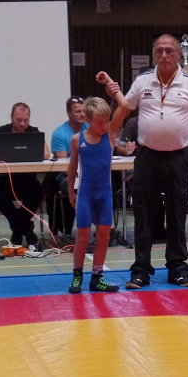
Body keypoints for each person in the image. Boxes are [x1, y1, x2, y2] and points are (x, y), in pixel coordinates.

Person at [105, 34, 188, 290]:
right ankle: (141, 270)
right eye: (160, 51)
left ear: (178, 55)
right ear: (155, 54)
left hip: (178, 157)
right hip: (147, 157)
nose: (164, 55)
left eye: (169, 51)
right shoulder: (142, 81)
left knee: (177, 212)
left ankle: (178, 268)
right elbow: (124, 108)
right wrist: (108, 137)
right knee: (143, 213)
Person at [66, 91, 124, 294]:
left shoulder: (110, 134)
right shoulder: (77, 139)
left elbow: (124, 107)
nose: (104, 126)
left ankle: (97, 277)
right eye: (100, 122)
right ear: (88, 120)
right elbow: (72, 167)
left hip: (105, 195)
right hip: (85, 195)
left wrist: (111, 87)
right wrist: (71, 191)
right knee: (82, 237)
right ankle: (77, 275)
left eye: (107, 121)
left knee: (104, 237)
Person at [0, 102, 50, 246]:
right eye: (19, 120)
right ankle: (26, 228)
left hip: (27, 179)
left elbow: (46, 154)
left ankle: (18, 229)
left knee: (38, 192)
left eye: (26, 120)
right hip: (4, 179)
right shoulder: (0, 132)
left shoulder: (34, 132)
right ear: (11, 117)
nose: (22, 124)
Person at [45, 96, 87, 240]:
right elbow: (64, 165)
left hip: (89, 172)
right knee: (77, 186)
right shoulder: (60, 133)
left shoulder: (91, 128)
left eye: (84, 111)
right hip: (67, 175)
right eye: (78, 111)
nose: (82, 114)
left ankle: (103, 227)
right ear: (69, 113)